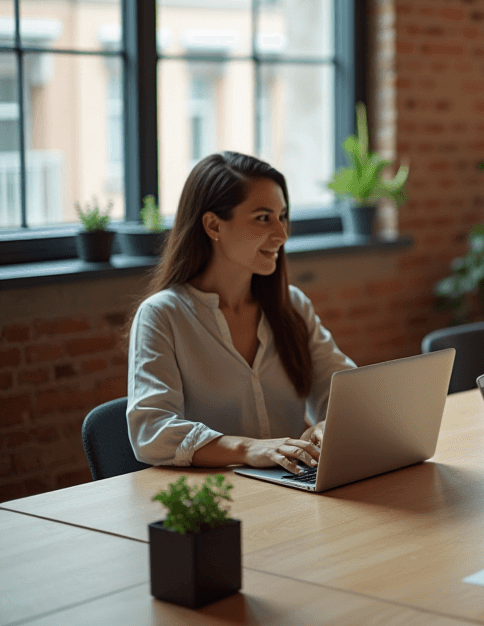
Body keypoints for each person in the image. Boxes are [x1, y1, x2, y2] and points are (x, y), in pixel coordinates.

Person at [127, 152, 355, 472]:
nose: (281, 234)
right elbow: (151, 431)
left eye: (282, 216)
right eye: (263, 218)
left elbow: (345, 391)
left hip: (294, 487)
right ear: (213, 224)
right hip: (215, 499)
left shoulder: (292, 305)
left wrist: (327, 426)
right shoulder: (162, 316)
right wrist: (247, 449)